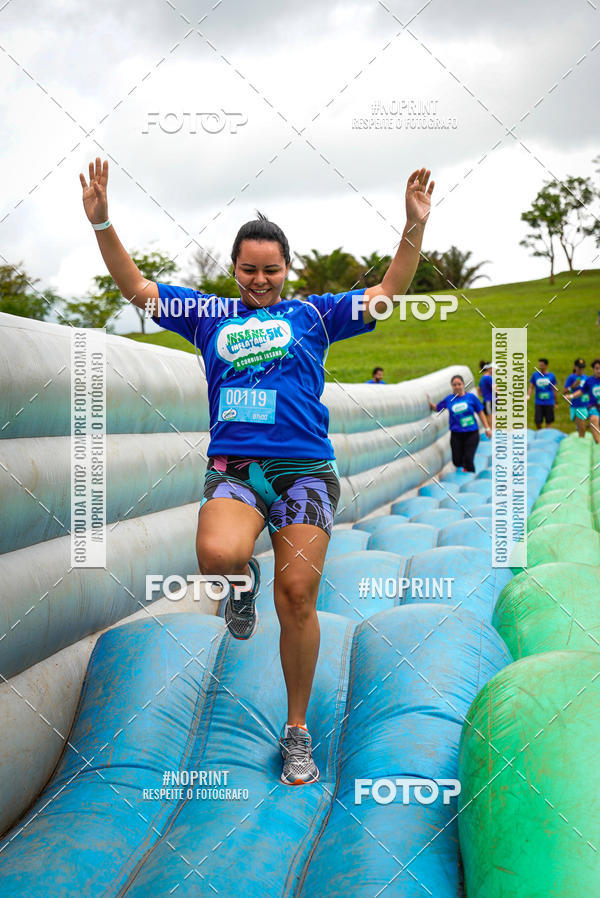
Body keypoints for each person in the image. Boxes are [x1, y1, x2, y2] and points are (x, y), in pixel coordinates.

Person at [80, 157, 435, 785]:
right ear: (234, 269)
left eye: (271, 269)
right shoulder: (207, 316)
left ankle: (296, 731)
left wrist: (413, 227)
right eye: (249, 269)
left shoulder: (314, 317)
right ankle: (239, 585)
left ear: (286, 270)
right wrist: (103, 221)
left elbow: (387, 293)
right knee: (218, 556)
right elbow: (136, 288)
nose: (260, 279)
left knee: (297, 597)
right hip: (236, 471)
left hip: (304, 474)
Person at [427, 375, 491, 472]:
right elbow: (437, 408)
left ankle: (470, 473)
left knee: (469, 459)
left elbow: (480, 413)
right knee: (456, 461)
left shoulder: (471, 398)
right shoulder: (449, 399)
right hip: (457, 434)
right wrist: (428, 403)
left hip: (472, 433)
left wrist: (487, 428)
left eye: (459, 384)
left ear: (463, 385)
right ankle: (465, 467)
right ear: (452, 386)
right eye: (454, 385)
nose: (457, 387)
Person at [570, 358, 600, 444]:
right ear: (593, 369)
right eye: (597, 368)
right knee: (594, 419)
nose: (599, 371)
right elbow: (581, 391)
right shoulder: (589, 380)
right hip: (594, 407)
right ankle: (598, 442)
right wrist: (571, 396)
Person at [527, 358, 557, 429]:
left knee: (548, 422)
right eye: (539, 365)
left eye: (542, 365)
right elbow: (531, 387)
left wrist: (556, 402)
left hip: (549, 402)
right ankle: (540, 432)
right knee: (538, 421)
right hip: (539, 402)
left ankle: (547, 434)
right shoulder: (535, 375)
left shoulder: (551, 376)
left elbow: (554, 389)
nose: (540, 367)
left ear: (546, 366)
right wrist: (528, 396)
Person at [563, 358, 589, 438]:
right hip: (575, 405)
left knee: (582, 427)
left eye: (582, 367)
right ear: (575, 367)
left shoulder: (586, 378)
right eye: (579, 367)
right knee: (580, 427)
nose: (581, 369)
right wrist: (573, 386)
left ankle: (582, 438)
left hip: (585, 405)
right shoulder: (571, 378)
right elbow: (564, 391)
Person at [477, 362, 496, 426]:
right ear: (489, 368)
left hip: (486, 401)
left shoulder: (483, 378)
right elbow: (495, 389)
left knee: (490, 422)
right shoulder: (489, 378)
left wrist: (483, 395)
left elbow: (478, 389)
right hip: (490, 402)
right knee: (492, 422)